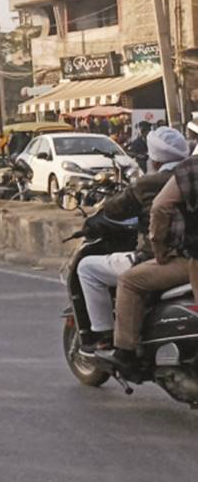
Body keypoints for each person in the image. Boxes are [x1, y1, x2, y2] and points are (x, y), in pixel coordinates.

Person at [75, 126, 188, 352]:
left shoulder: (151, 184)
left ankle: (115, 343)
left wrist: (158, 249)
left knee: (94, 270)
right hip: (188, 257)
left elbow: (148, 214)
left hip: (177, 259)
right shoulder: (190, 174)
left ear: (154, 160)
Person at [99, 134, 198, 374]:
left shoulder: (190, 170)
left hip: (190, 259)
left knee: (129, 280)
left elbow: (160, 207)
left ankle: (126, 353)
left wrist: (160, 250)